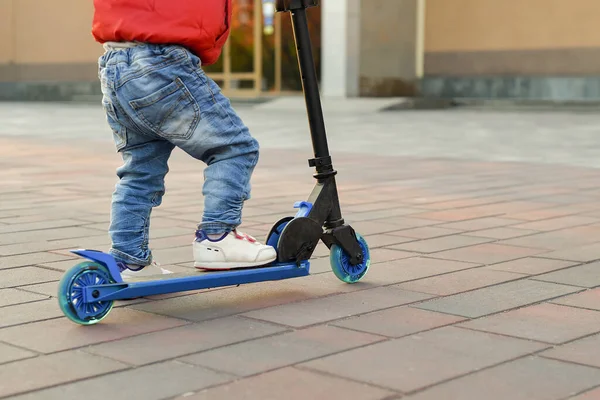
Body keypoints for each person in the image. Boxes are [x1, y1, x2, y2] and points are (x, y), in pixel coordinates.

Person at [92, 0, 277, 278]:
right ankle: (217, 238)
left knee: (139, 171)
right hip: (161, 61)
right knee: (235, 148)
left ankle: (128, 259)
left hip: (115, 65)